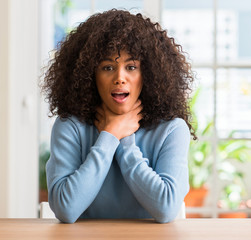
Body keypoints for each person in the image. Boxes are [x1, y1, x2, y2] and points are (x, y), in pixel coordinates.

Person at [41, 9, 196, 224]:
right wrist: (110, 134)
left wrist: (125, 143)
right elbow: (66, 209)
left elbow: (166, 207)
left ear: (148, 74)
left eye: (131, 67)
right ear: (90, 75)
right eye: (107, 67)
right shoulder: (70, 126)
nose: (120, 78)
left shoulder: (172, 129)